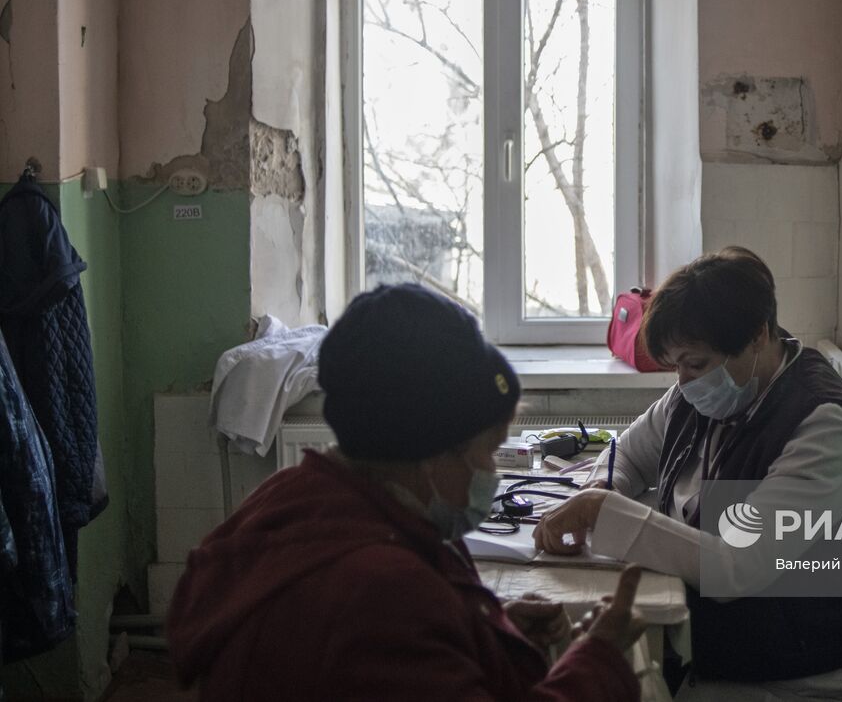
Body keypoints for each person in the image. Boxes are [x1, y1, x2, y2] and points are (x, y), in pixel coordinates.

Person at [166, 284, 645, 701]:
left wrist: (482, 635)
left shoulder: (295, 498)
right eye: (487, 451)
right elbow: (390, 633)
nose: (491, 472)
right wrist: (599, 660)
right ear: (429, 452)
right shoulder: (382, 598)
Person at [532, 246, 842, 700]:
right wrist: (599, 489)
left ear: (758, 335)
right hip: (720, 652)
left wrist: (604, 511)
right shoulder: (705, 390)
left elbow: (740, 565)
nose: (681, 381)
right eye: (676, 365)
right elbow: (629, 455)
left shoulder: (822, 424)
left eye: (694, 363)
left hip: (802, 676)